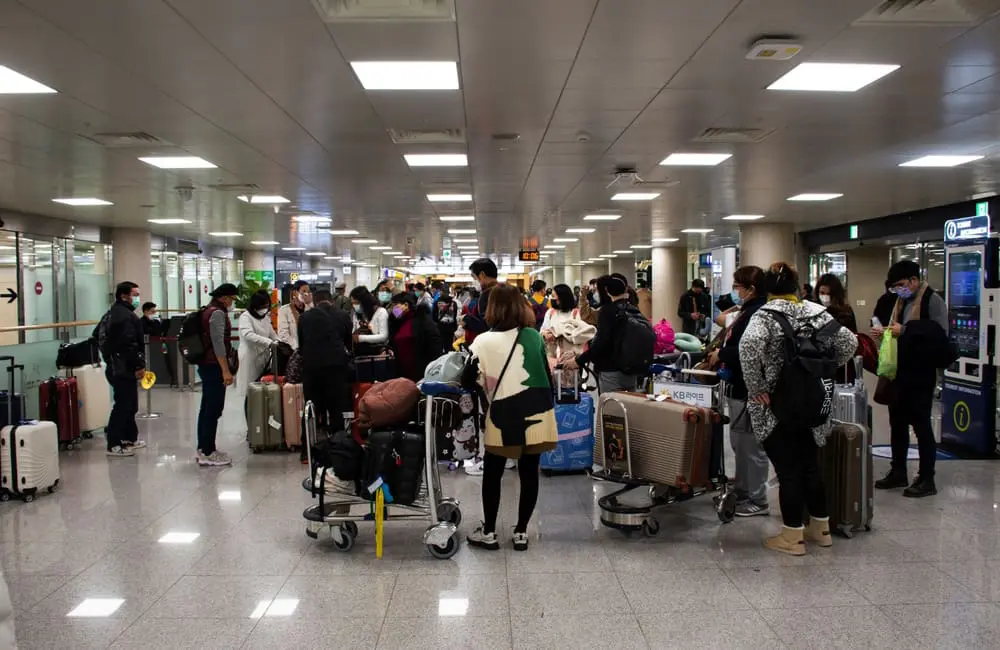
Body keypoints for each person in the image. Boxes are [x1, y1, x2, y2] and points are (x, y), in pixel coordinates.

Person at [739, 262, 857, 555]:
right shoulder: (816, 311)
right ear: (796, 286)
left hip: (778, 405)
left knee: (788, 470)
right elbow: (849, 342)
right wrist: (822, 369)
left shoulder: (764, 317)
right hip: (815, 401)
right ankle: (822, 528)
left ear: (767, 289)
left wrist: (757, 389)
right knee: (810, 466)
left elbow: (748, 347)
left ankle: (792, 536)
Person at [463, 283, 558, 551]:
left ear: (491, 308)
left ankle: (490, 532)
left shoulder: (481, 341)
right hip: (539, 409)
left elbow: (467, 378)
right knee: (529, 472)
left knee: (493, 472)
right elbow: (546, 375)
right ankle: (520, 532)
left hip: (503, 413)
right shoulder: (534, 336)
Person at [872, 260, 950, 498]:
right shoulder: (900, 301)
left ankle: (927, 477)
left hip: (920, 373)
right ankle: (898, 471)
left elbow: (938, 333)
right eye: (895, 286)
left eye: (901, 284)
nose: (898, 290)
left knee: (921, 425)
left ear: (914, 281)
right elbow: (898, 328)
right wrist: (886, 331)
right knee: (897, 423)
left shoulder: (932, 300)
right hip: (900, 371)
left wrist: (904, 331)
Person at [709, 266, 770, 517]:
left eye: (738, 287)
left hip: (751, 389)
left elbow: (750, 351)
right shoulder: (746, 310)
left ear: (751, 288)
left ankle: (758, 498)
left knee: (751, 445)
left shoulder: (759, 314)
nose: (735, 291)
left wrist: (721, 354)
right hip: (738, 386)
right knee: (740, 443)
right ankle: (744, 490)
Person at [562, 275, 644, 393]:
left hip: (610, 370)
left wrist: (579, 361)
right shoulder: (632, 308)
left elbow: (601, 342)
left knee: (609, 407)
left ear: (606, 291)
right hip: (631, 370)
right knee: (628, 406)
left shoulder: (607, 311)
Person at [97, 281, 147, 458]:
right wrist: (139, 365)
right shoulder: (123, 316)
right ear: (124, 296)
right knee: (123, 405)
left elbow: (97, 336)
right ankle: (114, 443)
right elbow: (129, 345)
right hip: (122, 367)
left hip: (118, 366)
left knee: (130, 404)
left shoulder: (112, 313)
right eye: (135, 294)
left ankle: (128, 439)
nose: (137, 298)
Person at [298, 288, 354, 434]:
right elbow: (348, 344)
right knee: (336, 407)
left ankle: (307, 448)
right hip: (335, 368)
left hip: (311, 368)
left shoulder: (305, 317)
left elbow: (301, 344)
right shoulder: (342, 315)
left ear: (315, 302)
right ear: (332, 301)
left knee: (311, 407)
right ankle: (338, 445)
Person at [195, 283, 239, 467]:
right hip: (213, 366)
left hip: (207, 365)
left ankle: (204, 447)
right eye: (231, 299)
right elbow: (218, 344)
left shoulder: (207, 310)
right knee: (213, 409)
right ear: (223, 298)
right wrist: (225, 370)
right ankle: (207, 452)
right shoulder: (218, 314)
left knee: (206, 408)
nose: (232, 303)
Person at [388, 293, 444, 381]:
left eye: (395, 305)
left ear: (406, 305)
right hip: (402, 372)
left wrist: (434, 368)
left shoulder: (422, 320)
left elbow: (434, 344)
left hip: (421, 370)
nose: (393, 309)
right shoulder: (396, 323)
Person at [235, 290, 278, 400]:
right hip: (250, 357)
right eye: (263, 306)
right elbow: (248, 334)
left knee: (261, 391)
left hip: (263, 357)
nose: (265, 309)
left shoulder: (265, 318)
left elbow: (272, 334)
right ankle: (250, 415)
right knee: (251, 392)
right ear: (255, 305)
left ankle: (260, 415)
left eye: (267, 306)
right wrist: (268, 342)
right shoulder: (246, 317)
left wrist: (279, 342)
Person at [140, 301, 176, 387]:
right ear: (146, 311)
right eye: (152, 312)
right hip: (149, 348)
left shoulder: (156, 322)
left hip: (161, 345)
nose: (154, 313)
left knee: (166, 359)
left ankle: (171, 379)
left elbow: (160, 332)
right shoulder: (141, 322)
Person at [463, 258, 499, 343]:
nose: (474, 281)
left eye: (474, 277)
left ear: (482, 275)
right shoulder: (507, 291)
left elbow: (487, 326)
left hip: (491, 343)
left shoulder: (487, 294)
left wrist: (466, 320)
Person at [350, 286, 389, 353]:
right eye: (353, 303)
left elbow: (384, 336)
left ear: (365, 301)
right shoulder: (357, 314)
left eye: (357, 303)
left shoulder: (381, 312)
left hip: (377, 353)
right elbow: (354, 330)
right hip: (359, 352)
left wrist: (360, 338)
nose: (355, 306)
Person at [277, 280, 311, 350]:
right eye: (304, 291)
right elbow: (283, 334)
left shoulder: (311, 309)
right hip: (293, 350)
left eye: (308, 292)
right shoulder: (284, 310)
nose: (306, 294)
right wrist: (296, 347)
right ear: (295, 293)